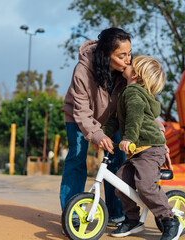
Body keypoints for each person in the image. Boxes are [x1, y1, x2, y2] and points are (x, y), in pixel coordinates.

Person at [103, 55, 183, 240]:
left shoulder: (134, 94)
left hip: (150, 148)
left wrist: (128, 138)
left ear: (136, 75)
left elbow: (135, 119)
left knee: (146, 185)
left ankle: (170, 220)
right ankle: (132, 220)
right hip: (137, 151)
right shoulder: (126, 92)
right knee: (121, 185)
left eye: (131, 64)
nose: (127, 64)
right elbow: (115, 118)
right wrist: (103, 136)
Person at [60, 27, 132, 226]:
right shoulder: (83, 70)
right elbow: (81, 111)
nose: (128, 60)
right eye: (122, 55)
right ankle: (72, 213)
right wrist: (97, 135)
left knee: (118, 157)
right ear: (106, 55)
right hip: (77, 116)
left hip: (111, 119)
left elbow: (140, 104)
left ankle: (115, 211)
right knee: (77, 158)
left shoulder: (127, 72)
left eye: (130, 53)